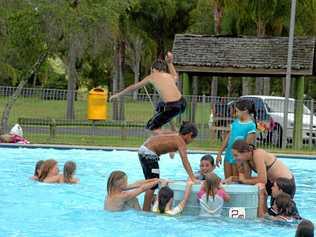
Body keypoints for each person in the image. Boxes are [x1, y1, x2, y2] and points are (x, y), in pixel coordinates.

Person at [110, 52, 185, 134]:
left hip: (172, 107)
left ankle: (177, 134)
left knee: (150, 128)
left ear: (153, 69)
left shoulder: (152, 76)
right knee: (161, 106)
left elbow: (133, 87)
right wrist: (170, 63)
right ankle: (174, 129)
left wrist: (118, 95)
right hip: (182, 103)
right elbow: (176, 77)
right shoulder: (168, 76)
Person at [138, 121, 198, 211]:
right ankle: (145, 211)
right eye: (192, 139)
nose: (191, 141)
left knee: (151, 182)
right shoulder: (180, 141)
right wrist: (193, 178)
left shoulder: (175, 136)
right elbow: (185, 162)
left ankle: (146, 207)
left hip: (143, 150)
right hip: (149, 153)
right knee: (153, 185)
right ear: (190, 134)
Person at [232, 140, 295, 210]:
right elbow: (247, 179)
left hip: (285, 184)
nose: (234, 158)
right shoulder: (247, 159)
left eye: (236, 155)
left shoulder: (257, 154)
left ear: (245, 152)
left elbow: (262, 180)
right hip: (273, 183)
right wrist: (238, 170)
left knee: (279, 212)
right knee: (270, 211)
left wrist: (243, 180)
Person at [216, 99, 257, 178]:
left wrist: (241, 163)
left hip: (239, 159)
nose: (236, 113)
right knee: (227, 181)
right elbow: (228, 138)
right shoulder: (236, 122)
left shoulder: (251, 126)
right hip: (228, 156)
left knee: (236, 181)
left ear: (245, 110)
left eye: (237, 111)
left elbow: (246, 147)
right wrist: (220, 153)